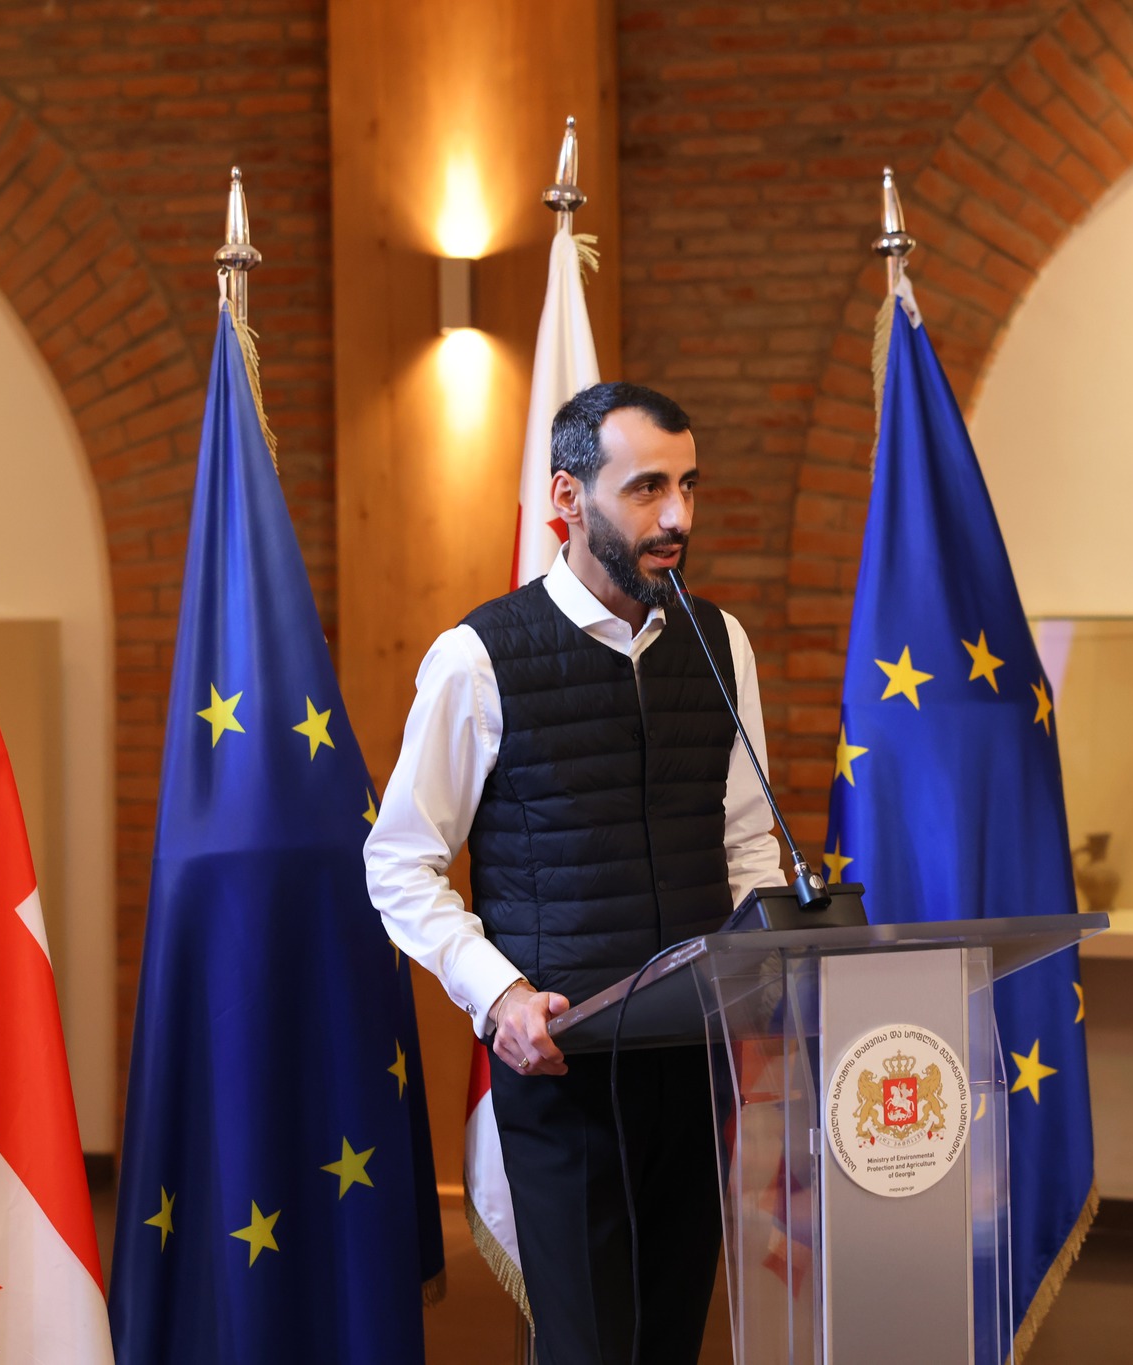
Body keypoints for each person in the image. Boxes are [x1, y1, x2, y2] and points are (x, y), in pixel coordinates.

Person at [365, 381, 782, 1364]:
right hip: (563, 1070)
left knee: (670, 1343)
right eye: (646, 489)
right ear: (567, 497)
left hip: (695, 1063)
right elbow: (399, 863)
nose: (676, 516)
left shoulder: (720, 643)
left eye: (687, 486)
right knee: (590, 1347)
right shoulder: (477, 657)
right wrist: (499, 996)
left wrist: (767, 973)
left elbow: (746, 844)